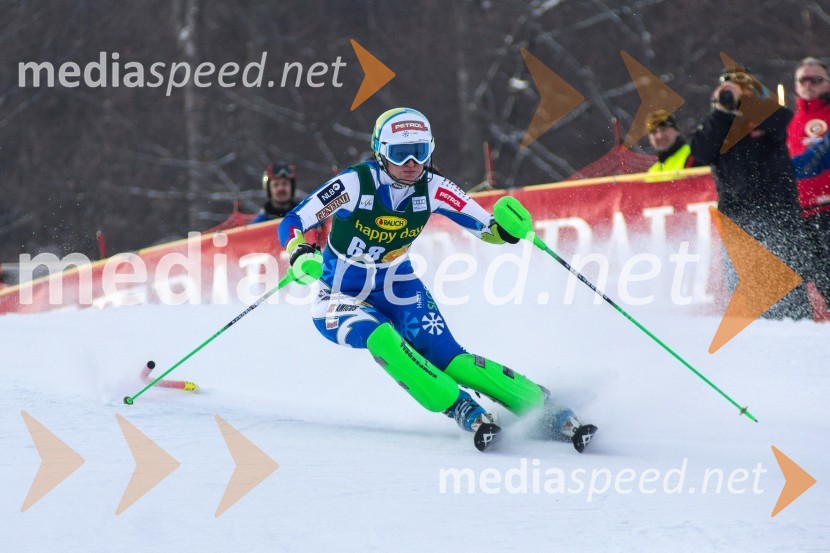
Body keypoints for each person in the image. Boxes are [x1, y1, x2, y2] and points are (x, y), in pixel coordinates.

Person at [276, 107, 596, 452]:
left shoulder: (434, 187)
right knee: (380, 337)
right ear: (380, 152)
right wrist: (299, 250)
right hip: (337, 294)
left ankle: (545, 408)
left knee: (451, 359)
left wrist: (507, 230)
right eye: (400, 153)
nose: (412, 162)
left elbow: (486, 228)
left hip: (398, 287)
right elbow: (294, 220)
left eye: (420, 152)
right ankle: (461, 407)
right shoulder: (354, 184)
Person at [690, 65, 813, 320]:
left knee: (789, 294)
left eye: (744, 87)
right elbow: (701, 151)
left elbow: (789, 125)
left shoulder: (773, 114)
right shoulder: (719, 122)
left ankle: (795, 329)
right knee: (747, 298)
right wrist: (722, 112)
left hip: (779, 214)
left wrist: (754, 109)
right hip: (737, 218)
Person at [786, 57, 830, 307]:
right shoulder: (791, 121)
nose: (809, 84)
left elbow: (818, 158)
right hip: (801, 213)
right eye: (804, 79)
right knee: (819, 282)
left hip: (827, 210)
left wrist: (780, 171)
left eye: (816, 79)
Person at [646, 110, 695, 175]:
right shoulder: (653, 171)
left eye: (663, 129)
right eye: (654, 132)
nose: (659, 136)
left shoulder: (692, 156)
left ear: (676, 130)